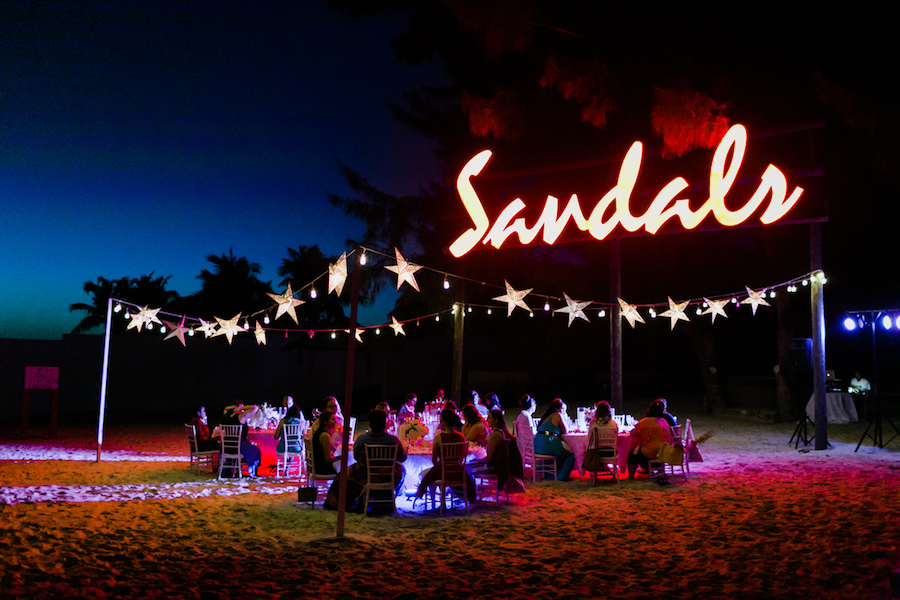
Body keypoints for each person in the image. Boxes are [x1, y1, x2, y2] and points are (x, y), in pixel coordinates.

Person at [416, 409, 476, 503]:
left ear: (444, 422)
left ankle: (432, 502)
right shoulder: (461, 437)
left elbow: (434, 460)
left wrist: (439, 466)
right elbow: (462, 457)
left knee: (426, 475)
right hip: (458, 471)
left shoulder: (439, 438)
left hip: (443, 472)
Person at [627, 400, 673, 480]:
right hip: (663, 451)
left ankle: (631, 477)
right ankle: (654, 469)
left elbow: (632, 433)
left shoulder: (645, 422)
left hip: (650, 452)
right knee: (640, 451)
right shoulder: (663, 421)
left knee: (632, 455)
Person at [534, 398, 575, 481]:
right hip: (547, 443)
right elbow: (565, 431)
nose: (564, 412)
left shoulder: (546, 416)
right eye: (563, 410)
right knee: (570, 453)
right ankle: (563, 476)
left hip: (537, 445)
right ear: (557, 409)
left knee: (561, 451)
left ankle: (550, 474)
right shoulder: (557, 415)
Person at [219, 404, 262, 477]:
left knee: (249, 446)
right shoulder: (240, 417)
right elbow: (255, 408)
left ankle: (235, 468)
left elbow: (226, 408)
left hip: (226, 446)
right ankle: (253, 470)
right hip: (237, 446)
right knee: (256, 449)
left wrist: (232, 408)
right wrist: (241, 408)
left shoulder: (226, 416)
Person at [310, 410, 339, 477]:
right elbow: (327, 459)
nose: (335, 422)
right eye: (332, 419)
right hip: (322, 469)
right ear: (325, 421)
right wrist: (341, 457)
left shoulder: (318, 433)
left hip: (316, 466)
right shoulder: (325, 436)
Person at [514, 394, 537, 459]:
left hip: (522, 446)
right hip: (529, 447)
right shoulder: (527, 416)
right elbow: (532, 433)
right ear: (532, 406)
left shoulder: (521, 415)